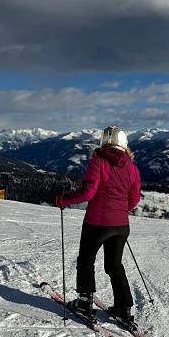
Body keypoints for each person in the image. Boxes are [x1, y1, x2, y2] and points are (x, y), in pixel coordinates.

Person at [55, 126, 141, 322]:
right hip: (121, 226)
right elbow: (134, 199)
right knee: (114, 265)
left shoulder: (98, 161)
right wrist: (118, 211)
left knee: (86, 261)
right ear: (124, 145)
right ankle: (123, 307)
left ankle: (85, 303)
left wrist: (63, 200)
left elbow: (87, 193)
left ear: (103, 143)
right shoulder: (133, 168)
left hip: (96, 223)